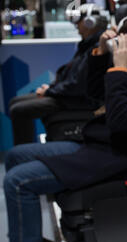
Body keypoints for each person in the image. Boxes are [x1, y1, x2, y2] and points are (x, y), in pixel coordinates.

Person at [3, 12, 127, 242]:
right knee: (15, 156)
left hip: (119, 157)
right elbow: (93, 93)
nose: (123, 50)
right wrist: (100, 55)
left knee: (18, 181)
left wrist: (120, 68)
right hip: (100, 145)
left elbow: (122, 121)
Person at [8, 4, 108, 145]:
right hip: (66, 95)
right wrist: (51, 88)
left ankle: (23, 151)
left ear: (90, 22)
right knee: (15, 102)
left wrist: (49, 91)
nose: (76, 27)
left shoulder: (96, 48)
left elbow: (78, 85)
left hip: (75, 100)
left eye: (78, 22)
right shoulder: (87, 45)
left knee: (18, 109)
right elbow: (72, 77)